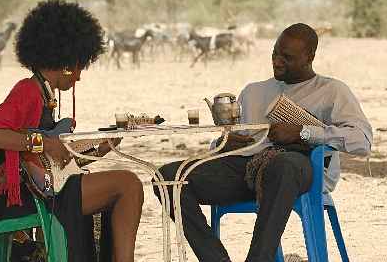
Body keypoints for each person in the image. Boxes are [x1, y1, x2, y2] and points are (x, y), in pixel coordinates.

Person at [154, 23, 372, 262]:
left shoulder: (331, 91)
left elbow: (362, 140)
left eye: (286, 57)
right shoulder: (254, 91)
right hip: (247, 168)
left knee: (282, 165)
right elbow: (240, 140)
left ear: (309, 57)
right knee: (168, 178)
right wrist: (224, 144)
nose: (277, 61)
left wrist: (303, 132)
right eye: (275, 53)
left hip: (301, 169)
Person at [0, 0, 144, 262]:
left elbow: (54, 163)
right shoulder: (27, 90)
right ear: (66, 62)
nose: (78, 76)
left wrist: (102, 148)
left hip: (45, 188)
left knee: (124, 185)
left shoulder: (43, 95)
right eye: (79, 67)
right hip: (25, 197)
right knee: (129, 184)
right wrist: (41, 143)